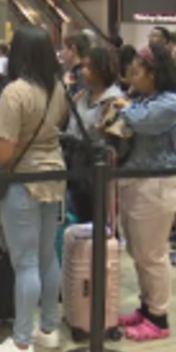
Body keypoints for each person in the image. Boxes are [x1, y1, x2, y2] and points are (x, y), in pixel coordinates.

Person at [0, 25, 69, 352]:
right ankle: (49, 327)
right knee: (47, 257)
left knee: (25, 262)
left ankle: (20, 343)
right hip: (55, 177)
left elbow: (2, 152)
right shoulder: (57, 88)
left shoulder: (15, 92)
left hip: (23, 183)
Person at [111, 45, 176, 341]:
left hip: (157, 185)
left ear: (154, 74)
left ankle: (159, 317)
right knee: (139, 252)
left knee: (153, 254)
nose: (131, 76)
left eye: (137, 71)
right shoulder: (142, 99)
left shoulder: (170, 103)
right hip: (136, 183)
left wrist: (122, 107)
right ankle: (146, 307)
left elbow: (134, 120)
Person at [64, 46, 124, 223]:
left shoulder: (113, 99)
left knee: (97, 219)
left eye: (89, 67)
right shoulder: (82, 95)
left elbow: (113, 136)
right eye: (82, 67)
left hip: (98, 167)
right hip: (75, 163)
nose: (83, 72)